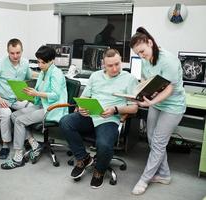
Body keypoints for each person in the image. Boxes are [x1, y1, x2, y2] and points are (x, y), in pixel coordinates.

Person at [59, 49, 138, 189]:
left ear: (121, 61)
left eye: (117, 64)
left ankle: (99, 170)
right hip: (91, 115)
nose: (114, 68)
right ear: (103, 65)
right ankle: (83, 158)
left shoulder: (129, 79)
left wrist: (115, 109)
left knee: (104, 144)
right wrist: (81, 106)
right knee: (65, 121)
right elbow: (84, 97)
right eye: (110, 65)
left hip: (109, 118)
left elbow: (134, 108)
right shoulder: (95, 76)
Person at [130, 27, 186, 195]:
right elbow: (146, 79)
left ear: (150, 43)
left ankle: (144, 179)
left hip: (173, 106)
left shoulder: (168, 61)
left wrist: (151, 102)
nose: (141, 56)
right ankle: (164, 174)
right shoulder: (145, 59)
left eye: (142, 51)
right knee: (151, 139)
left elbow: (169, 89)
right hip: (156, 104)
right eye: (137, 54)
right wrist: (139, 93)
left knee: (159, 143)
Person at [1, 45, 68, 169]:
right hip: (42, 104)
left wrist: (36, 93)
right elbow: (38, 92)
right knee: (14, 116)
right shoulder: (43, 72)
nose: (40, 65)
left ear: (52, 61)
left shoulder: (56, 74)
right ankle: (34, 144)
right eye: (38, 61)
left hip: (53, 109)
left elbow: (55, 95)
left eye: (43, 62)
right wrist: (26, 96)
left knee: (20, 121)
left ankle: (18, 157)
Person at [0, 38, 38, 160]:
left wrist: (46, 73)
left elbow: (30, 75)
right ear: (8, 51)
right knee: (6, 113)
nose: (15, 56)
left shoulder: (24, 63)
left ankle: (27, 138)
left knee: (32, 108)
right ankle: (5, 145)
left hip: (15, 99)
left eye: (18, 53)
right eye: (12, 53)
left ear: (22, 51)